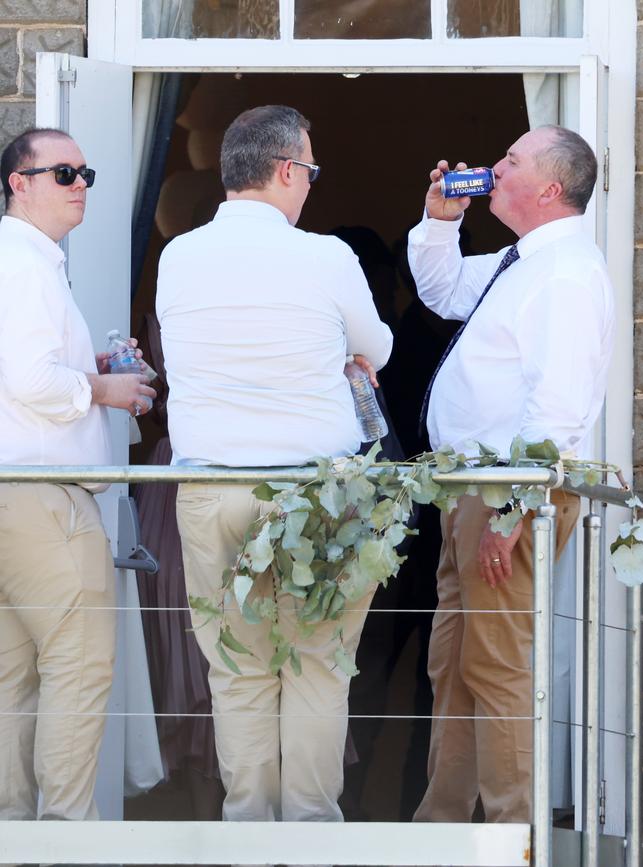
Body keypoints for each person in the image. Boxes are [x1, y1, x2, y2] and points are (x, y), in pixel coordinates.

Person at [156, 105, 392, 836]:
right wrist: (342, 355)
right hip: (313, 490)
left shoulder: (178, 257)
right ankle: (313, 833)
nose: (311, 186)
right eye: (311, 171)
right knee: (318, 666)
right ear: (288, 170)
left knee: (237, 670)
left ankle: (248, 833)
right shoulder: (324, 257)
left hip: (211, 487)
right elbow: (376, 349)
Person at [409, 125, 615, 824]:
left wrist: (512, 509)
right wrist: (442, 222)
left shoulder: (568, 274)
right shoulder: (522, 261)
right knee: (456, 666)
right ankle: (444, 826)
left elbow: (557, 408)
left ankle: (511, 835)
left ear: (550, 188)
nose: (493, 167)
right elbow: (442, 290)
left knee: (495, 670)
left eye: (512, 161)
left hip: (505, 495)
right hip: (471, 493)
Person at [0, 128, 155, 823]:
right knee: (79, 666)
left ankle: (17, 834)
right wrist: (103, 390)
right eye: (63, 172)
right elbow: (29, 377)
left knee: (14, 681)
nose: (81, 183)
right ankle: (64, 838)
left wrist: (89, 367)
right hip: (44, 500)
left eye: (85, 171)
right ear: (19, 183)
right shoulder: (22, 263)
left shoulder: (27, 264)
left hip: (17, 493)